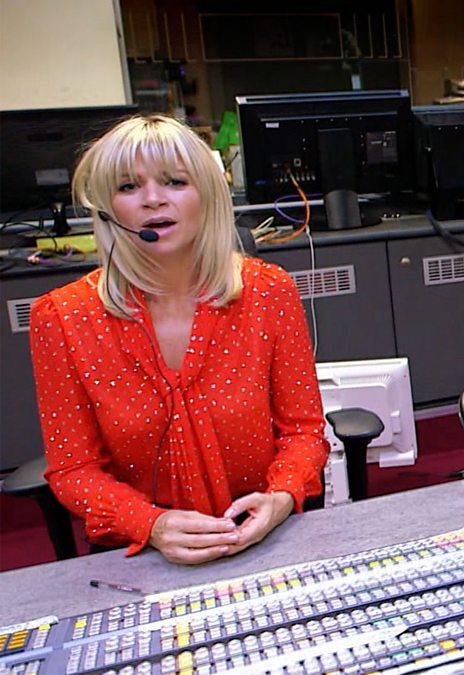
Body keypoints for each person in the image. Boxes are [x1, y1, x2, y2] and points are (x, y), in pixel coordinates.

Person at [29, 115, 329, 564]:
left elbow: (303, 432)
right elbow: (74, 469)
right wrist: (149, 524)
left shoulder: (269, 292)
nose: (153, 199)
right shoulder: (62, 318)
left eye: (174, 181)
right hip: (143, 554)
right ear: (107, 209)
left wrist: (281, 497)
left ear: (206, 195)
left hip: (267, 536)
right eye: (128, 187)